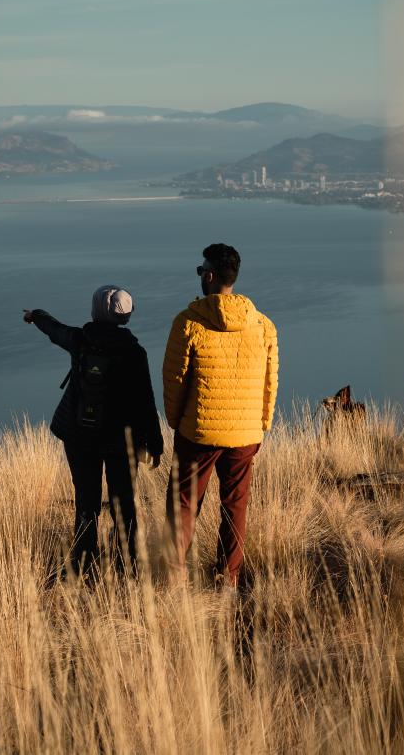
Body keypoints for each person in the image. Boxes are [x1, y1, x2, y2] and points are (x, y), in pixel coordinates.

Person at [24, 285, 163, 579]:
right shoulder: (135, 352)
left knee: (86, 501)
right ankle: (129, 566)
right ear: (126, 316)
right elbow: (145, 399)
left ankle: (84, 564)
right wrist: (155, 441)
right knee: (123, 503)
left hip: (80, 436)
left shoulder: (80, 340)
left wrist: (36, 315)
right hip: (120, 440)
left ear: (97, 310)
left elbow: (55, 330)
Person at [162, 243, 278, 588]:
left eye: (201, 271)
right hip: (245, 435)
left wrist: (176, 422)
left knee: (184, 503)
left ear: (209, 276)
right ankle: (228, 578)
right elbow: (270, 381)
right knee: (235, 505)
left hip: (198, 432)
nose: (200, 276)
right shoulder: (262, 325)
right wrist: (262, 425)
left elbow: (175, 380)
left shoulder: (188, 323)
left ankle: (174, 577)